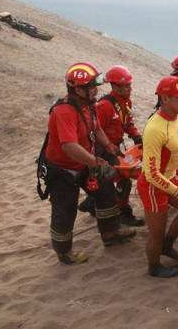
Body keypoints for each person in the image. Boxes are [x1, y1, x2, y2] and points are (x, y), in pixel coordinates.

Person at [43, 62, 136, 265]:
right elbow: (69, 146)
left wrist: (109, 146)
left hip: (83, 163)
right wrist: (94, 161)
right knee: (65, 210)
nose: (96, 89)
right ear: (78, 89)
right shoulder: (64, 111)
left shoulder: (89, 106)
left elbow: (97, 129)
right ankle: (64, 252)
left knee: (106, 191)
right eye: (92, 86)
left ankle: (111, 233)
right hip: (62, 170)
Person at [137, 76, 178, 278]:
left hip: (169, 176)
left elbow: (175, 141)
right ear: (165, 98)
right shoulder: (154, 128)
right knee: (156, 232)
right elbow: (151, 174)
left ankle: (167, 245)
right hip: (152, 185)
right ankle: (154, 267)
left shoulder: (175, 116)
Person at [95, 65, 144, 226]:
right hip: (103, 150)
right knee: (124, 178)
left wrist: (136, 135)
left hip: (114, 147)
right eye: (126, 86)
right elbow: (94, 131)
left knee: (114, 179)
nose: (130, 88)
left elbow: (127, 122)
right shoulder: (104, 106)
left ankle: (91, 204)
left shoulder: (125, 101)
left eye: (130, 85)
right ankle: (123, 212)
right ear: (114, 86)